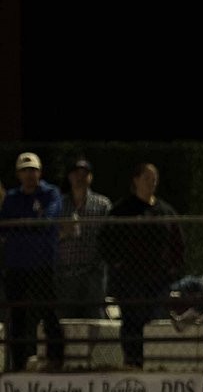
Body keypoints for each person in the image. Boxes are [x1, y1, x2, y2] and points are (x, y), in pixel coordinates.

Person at [99, 162, 183, 369]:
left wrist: (173, 269)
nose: (151, 182)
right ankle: (132, 363)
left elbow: (178, 243)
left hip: (158, 279)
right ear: (136, 180)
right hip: (130, 279)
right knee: (132, 321)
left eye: (154, 178)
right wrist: (117, 263)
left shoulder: (165, 211)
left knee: (155, 320)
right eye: (147, 177)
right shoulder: (122, 210)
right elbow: (105, 240)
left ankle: (156, 364)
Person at [1, 152, 65, 371]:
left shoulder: (51, 193)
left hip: (42, 265)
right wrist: (31, 223)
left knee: (49, 313)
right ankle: (17, 364)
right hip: (17, 266)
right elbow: (5, 224)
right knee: (17, 316)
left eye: (33, 170)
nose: (30, 175)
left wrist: (20, 225)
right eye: (25, 170)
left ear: (40, 172)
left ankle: (56, 360)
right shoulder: (11, 197)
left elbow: (48, 221)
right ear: (18, 174)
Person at [57, 158, 111, 319]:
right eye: (76, 173)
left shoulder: (102, 204)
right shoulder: (59, 204)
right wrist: (64, 232)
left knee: (95, 318)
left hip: (93, 273)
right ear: (69, 177)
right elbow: (48, 236)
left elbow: (111, 238)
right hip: (66, 273)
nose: (80, 177)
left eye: (84, 174)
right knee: (66, 320)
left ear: (91, 177)